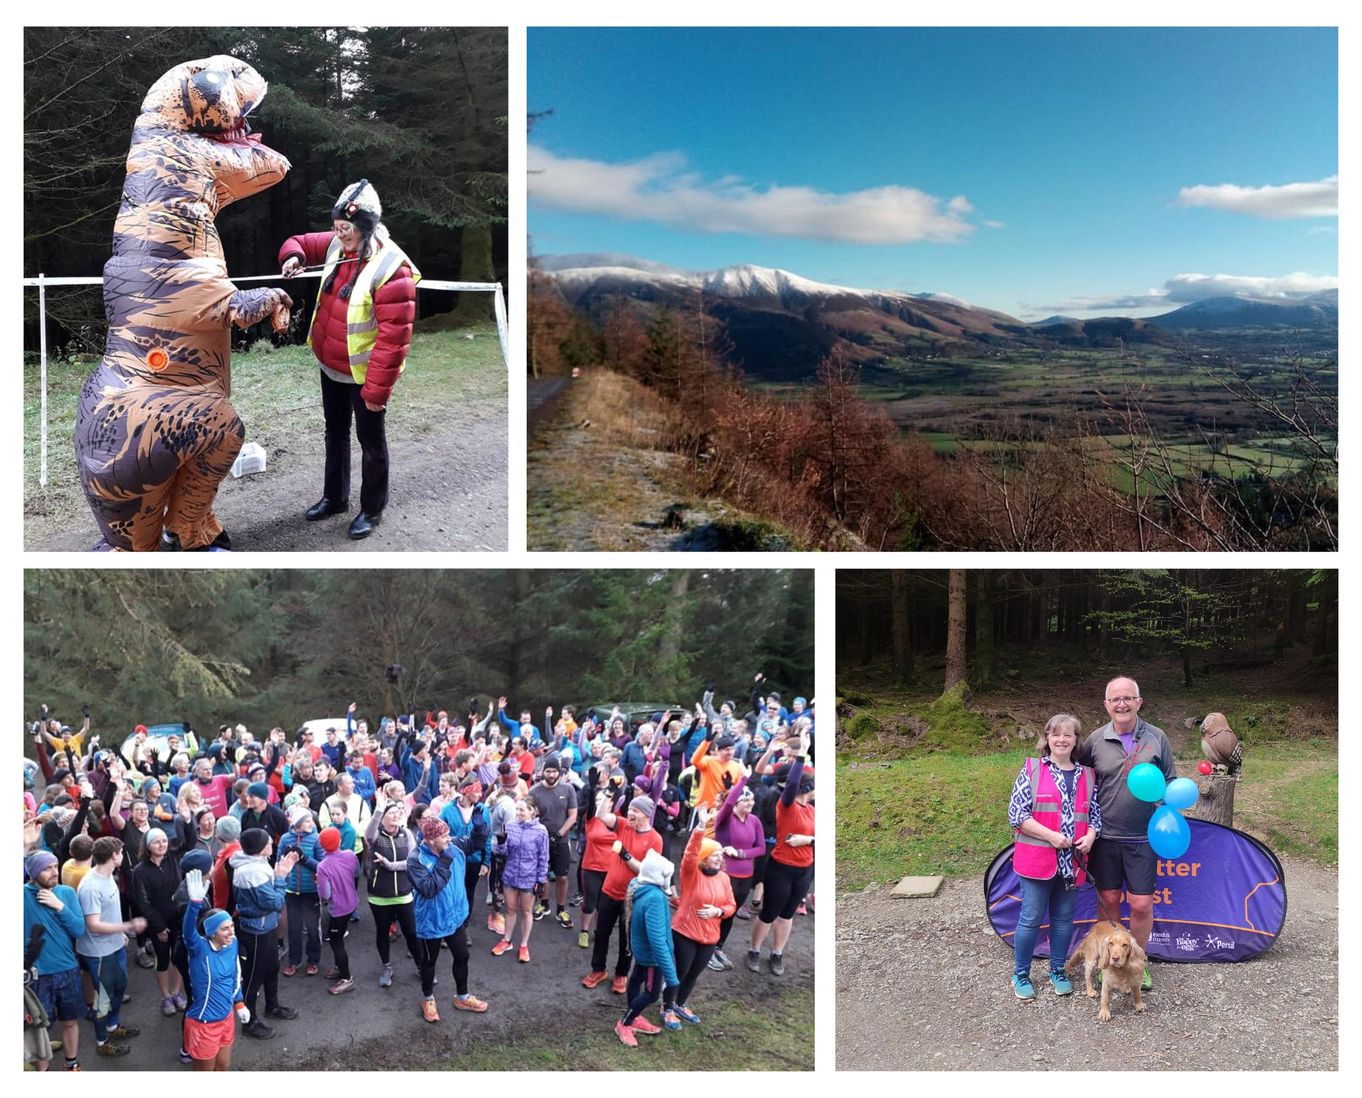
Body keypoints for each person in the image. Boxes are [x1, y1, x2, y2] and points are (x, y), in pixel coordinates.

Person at [278, 179, 420, 539]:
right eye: (337, 228)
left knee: (371, 442)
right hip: (331, 367)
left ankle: (372, 510)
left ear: (366, 228)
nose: (340, 236)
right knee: (335, 433)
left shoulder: (392, 269)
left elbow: (394, 341)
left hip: (365, 375)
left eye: (347, 230)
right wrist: (293, 257)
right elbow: (298, 242)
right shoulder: (336, 246)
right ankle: (335, 498)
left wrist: (376, 393)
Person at [1075, 676, 1175, 991]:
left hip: (1144, 838)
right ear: (1106, 705)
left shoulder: (1157, 737)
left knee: (1142, 904)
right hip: (1104, 837)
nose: (1122, 704)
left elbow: (1170, 781)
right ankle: (1110, 965)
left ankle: (1138, 963)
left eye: (1128, 698)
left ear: (1138, 702)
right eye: (1115, 699)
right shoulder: (1093, 740)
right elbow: (1081, 785)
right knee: (1108, 901)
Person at [1008, 714, 1100, 1000]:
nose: (1062, 739)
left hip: (1071, 864)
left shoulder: (1087, 774)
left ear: (1076, 741)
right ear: (1047, 739)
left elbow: (1094, 813)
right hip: (1036, 861)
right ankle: (1021, 975)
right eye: (1056, 734)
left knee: (1063, 920)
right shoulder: (1032, 770)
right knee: (1031, 918)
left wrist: (1092, 835)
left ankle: (1057, 970)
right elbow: (1016, 814)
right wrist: (1051, 837)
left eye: (1068, 735)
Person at [407, 815, 489, 1021]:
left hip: (455, 917)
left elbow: (476, 844)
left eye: (447, 834)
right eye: (443, 836)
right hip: (431, 920)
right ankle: (428, 999)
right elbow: (428, 889)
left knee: (462, 956)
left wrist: (479, 830)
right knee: (428, 962)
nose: (449, 839)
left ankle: (462, 996)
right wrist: (444, 861)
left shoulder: (454, 846)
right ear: (430, 839)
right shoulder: (415, 859)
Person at [661, 808, 736, 1028]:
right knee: (679, 973)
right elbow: (689, 854)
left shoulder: (723, 878)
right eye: (714, 854)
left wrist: (718, 912)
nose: (719, 858)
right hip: (685, 931)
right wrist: (701, 828)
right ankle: (666, 1008)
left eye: (720, 855)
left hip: (710, 936)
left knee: (693, 974)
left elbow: (731, 905)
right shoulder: (692, 874)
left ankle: (680, 1004)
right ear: (704, 858)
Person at [583, 794, 663, 994]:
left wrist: (625, 855)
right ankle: (598, 970)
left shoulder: (655, 839)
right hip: (609, 890)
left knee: (627, 938)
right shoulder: (624, 825)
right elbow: (601, 816)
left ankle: (621, 974)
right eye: (630, 809)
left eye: (635, 811)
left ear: (645, 814)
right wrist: (609, 794)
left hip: (632, 897)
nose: (630, 813)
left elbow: (646, 870)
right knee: (601, 933)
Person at [749, 728, 813, 976]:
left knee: (788, 914)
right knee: (769, 913)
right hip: (781, 867)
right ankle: (754, 949)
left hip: (803, 871)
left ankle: (777, 952)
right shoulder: (786, 806)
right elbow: (792, 784)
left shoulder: (813, 811)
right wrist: (801, 755)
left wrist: (809, 839)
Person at [75, 836, 145, 1057]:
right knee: (103, 999)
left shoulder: (108, 877)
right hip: (98, 952)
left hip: (114, 946)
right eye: (121, 852)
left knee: (120, 986)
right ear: (114, 856)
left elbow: (109, 914)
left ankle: (112, 1027)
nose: (123, 856)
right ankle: (102, 1041)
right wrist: (128, 925)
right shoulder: (90, 886)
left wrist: (121, 933)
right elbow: (93, 925)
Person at [229, 828, 299, 1038]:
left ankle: (272, 1006)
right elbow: (275, 902)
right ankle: (249, 1022)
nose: (272, 844)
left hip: (266, 927)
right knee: (253, 977)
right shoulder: (252, 872)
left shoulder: (256, 863)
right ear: (260, 849)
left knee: (272, 967)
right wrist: (281, 877)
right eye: (268, 842)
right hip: (256, 931)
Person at [181, 869, 250, 1071]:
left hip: (227, 1018)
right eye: (225, 928)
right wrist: (194, 904)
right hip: (204, 1025)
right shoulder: (199, 949)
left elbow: (235, 976)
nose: (231, 932)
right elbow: (188, 932)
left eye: (231, 926)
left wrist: (239, 1003)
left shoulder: (233, 943)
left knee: (223, 1067)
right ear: (211, 932)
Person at [23, 851, 87, 1071]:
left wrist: (59, 906)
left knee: (69, 1021)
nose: (54, 872)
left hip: (68, 970)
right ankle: (43, 1072)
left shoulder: (66, 893)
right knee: (40, 1029)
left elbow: (79, 929)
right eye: (46, 868)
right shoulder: (22, 896)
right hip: (36, 977)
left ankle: (71, 1065)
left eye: (55, 866)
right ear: (32, 873)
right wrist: (24, 846)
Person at [614, 849, 677, 1047]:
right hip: (652, 957)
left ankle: (636, 1016)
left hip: (641, 951)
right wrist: (671, 976)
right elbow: (657, 939)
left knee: (635, 980)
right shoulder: (656, 898)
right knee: (651, 993)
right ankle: (625, 1023)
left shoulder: (637, 885)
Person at [712, 771, 765, 970]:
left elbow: (760, 848)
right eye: (746, 800)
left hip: (745, 876)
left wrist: (741, 853)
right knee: (718, 912)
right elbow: (727, 804)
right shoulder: (725, 819)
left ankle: (718, 947)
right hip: (726, 874)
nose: (750, 804)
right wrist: (743, 780)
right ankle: (707, 947)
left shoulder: (755, 821)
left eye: (751, 800)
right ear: (736, 803)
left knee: (730, 913)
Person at [364, 800, 419, 987]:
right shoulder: (376, 836)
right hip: (379, 896)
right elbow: (368, 834)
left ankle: (421, 967)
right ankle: (386, 966)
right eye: (392, 812)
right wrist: (379, 809)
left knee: (411, 933)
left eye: (398, 812)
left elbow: (412, 861)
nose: (396, 815)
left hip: (404, 893)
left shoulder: (407, 834)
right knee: (382, 932)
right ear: (383, 817)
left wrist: (390, 865)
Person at [131, 827, 186, 1015]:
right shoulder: (140, 871)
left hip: (178, 918)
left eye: (164, 840)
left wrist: (185, 820)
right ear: (148, 847)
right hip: (158, 923)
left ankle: (177, 992)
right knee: (162, 959)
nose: (162, 844)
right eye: (157, 841)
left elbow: (187, 841)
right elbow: (143, 903)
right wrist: (159, 926)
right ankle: (165, 996)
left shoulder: (173, 858)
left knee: (179, 958)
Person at [492, 798, 549, 962]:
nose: (518, 813)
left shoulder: (541, 831)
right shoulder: (509, 826)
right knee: (510, 910)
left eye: (522, 810)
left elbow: (543, 857)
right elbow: (501, 853)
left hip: (529, 878)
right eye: (517, 810)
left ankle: (523, 945)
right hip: (510, 875)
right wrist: (501, 843)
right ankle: (506, 940)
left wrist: (541, 880)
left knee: (526, 912)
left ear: (533, 811)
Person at [527, 755, 578, 928]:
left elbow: (573, 816)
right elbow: (529, 814)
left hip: (561, 841)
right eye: (548, 771)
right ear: (543, 772)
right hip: (540, 840)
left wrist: (559, 834)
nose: (551, 774)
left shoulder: (568, 789)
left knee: (562, 876)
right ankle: (544, 904)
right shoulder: (534, 791)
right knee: (543, 875)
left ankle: (561, 909)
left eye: (554, 771)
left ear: (559, 772)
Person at [277, 805, 323, 976]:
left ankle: (313, 960)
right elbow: (278, 863)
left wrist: (304, 859)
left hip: (311, 891)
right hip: (291, 891)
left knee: (312, 928)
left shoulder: (317, 838)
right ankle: (294, 961)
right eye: (308, 820)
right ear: (297, 824)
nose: (312, 823)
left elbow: (322, 866)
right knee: (294, 929)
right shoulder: (284, 839)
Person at [316, 826, 360, 994]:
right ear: (339, 841)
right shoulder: (350, 855)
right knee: (338, 937)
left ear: (321, 846)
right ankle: (338, 967)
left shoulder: (322, 866)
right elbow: (356, 873)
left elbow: (325, 894)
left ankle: (346, 978)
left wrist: (318, 883)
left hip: (338, 909)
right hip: (352, 903)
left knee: (336, 941)